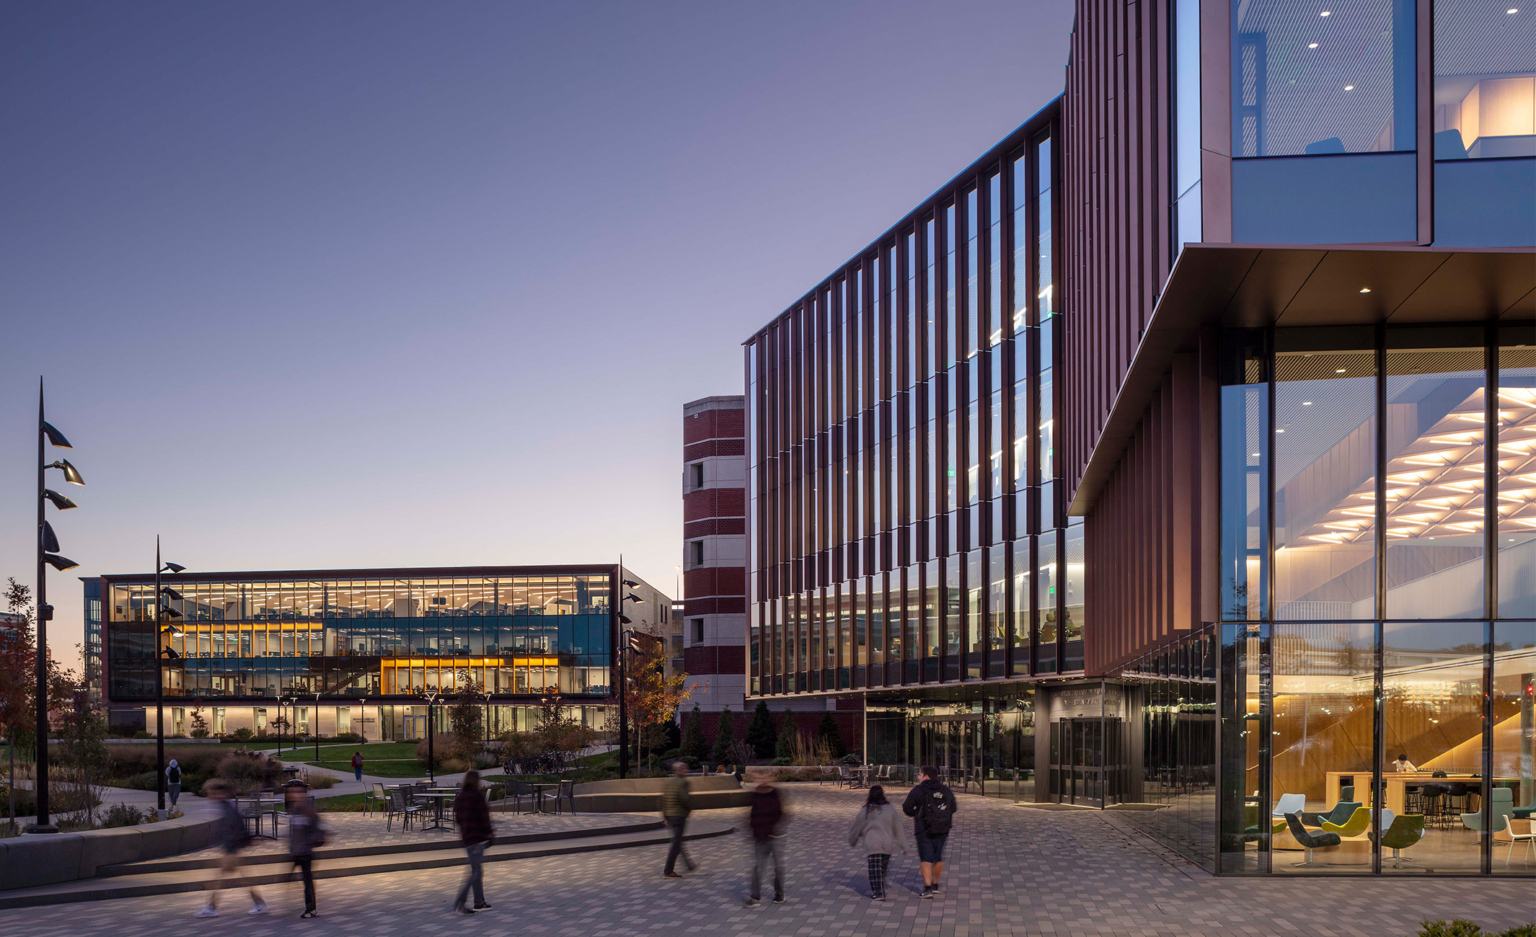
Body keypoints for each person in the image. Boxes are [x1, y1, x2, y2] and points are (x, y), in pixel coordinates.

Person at [198, 780, 265, 917]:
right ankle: (258, 903)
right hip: (231, 848)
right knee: (241, 878)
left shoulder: (227, 808)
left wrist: (233, 846)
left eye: (212, 792)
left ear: (220, 793)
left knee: (222, 879)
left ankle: (212, 907)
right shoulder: (225, 806)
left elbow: (235, 828)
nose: (210, 795)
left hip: (231, 849)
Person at [902, 766, 956, 899]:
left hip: (923, 828)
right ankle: (935, 884)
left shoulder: (918, 790)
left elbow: (906, 807)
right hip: (942, 828)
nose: (918, 777)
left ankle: (927, 888)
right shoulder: (945, 790)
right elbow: (953, 807)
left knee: (926, 857)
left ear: (926, 776)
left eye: (920, 774)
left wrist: (917, 814)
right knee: (938, 856)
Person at [848, 785, 906, 901]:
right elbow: (898, 828)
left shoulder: (866, 811)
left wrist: (852, 839)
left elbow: (856, 827)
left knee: (874, 869)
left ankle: (878, 892)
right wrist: (904, 845)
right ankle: (880, 888)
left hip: (872, 843)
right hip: (887, 843)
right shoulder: (890, 809)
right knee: (882, 868)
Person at [452, 770, 494, 914]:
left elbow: (457, 818)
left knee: (477, 870)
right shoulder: (476, 796)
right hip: (478, 838)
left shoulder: (460, 797)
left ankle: (479, 902)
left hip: (467, 838)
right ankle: (460, 902)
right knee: (475, 872)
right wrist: (490, 834)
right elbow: (484, 818)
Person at [743, 770, 785, 907]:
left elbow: (780, 814)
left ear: (770, 778)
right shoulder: (755, 794)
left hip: (774, 836)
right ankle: (755, 897)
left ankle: (779, 894)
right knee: (759, 868)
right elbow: (752, 815)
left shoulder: (775, 793)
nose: (761, 780)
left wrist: (774, 828)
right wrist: (752, 831)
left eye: (764, 777)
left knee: (778, 868)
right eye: (758, 778)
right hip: (760, 837)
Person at [285, 779, 324, 919]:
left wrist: (308, 843)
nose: (292, 795)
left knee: (307, 881)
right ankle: (309, 907)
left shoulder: (308, 810)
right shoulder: (294, 809)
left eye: (296, 792)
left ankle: (311, 909)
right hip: (297, 851)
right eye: (291, 792)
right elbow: (294, 831)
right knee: (300, 879)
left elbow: (317, 830)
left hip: (305, 852)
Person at [661, 761, 697, 878]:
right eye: (685, 769)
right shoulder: (683, 782)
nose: (687, 771)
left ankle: (689, 865)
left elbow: (663, 800)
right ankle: (668, 870)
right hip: (679, 815)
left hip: (670, 816)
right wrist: (689, 810)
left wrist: (665, 816)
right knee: (676, 843)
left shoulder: (668, 782)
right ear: (680, 771)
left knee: (677, 841)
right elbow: (685, 799)